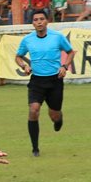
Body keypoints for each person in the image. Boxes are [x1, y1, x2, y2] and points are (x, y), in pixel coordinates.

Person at [14, 10, 75, 158]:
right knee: (34, 110)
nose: (39, 22)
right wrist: (24, 66)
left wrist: (65, 66)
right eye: (36, 19)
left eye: (42, 19)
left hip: (55, 80)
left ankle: (58, 119)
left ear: (47, 21)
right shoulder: (28, 39)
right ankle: (35, 148)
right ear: (32, 23)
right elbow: (18, 56)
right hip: (37, 81)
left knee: (54, 115)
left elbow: (71, 52)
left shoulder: (57, 37)